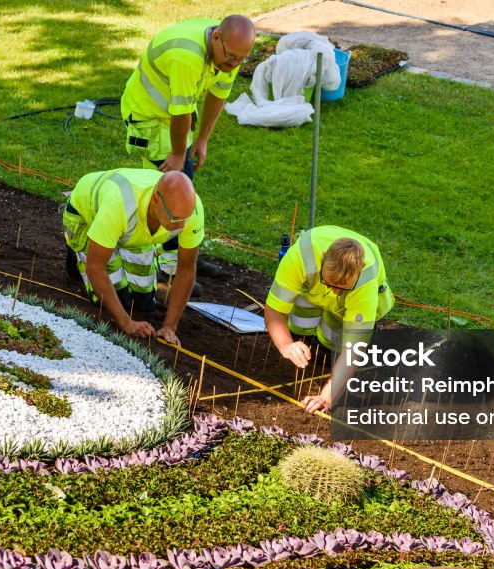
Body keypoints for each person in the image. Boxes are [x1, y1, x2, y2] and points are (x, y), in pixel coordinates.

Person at [121, 15, 256, 279]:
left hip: (173, 114)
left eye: (242, 59)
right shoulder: (187, 56)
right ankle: (168, 263)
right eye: (231, 57)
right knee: (169, 186)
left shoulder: (232, 50)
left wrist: (202, 140)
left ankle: (182, 255)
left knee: (184, 181)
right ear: (216, 37)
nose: (234, 64)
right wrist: (177, 153)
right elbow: (180, 113)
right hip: (147, 115)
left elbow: (218, 94)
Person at [62, 168, 204, 347]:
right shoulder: (120, 202)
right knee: (120, 301)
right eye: (175, 218)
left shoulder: (190, 210)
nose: (182, 225)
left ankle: (116, 247)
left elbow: (186, 269)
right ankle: (74, 256)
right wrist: (126, 323)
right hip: (86, 216)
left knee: (144, 303)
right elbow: (95, 267)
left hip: (132, 231)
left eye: (186, 217)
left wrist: (169, 326)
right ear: (155, 200)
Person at [263, 226, 394, 414]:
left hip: (348, 304)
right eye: (330, 283)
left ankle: (323, 349)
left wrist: (326, 397)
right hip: (310, 291)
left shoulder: (365, 282)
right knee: (299, 326)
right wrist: (286, 345)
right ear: (323, 258)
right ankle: (303, 339)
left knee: (331, 342)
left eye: (342, 287)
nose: (335, 292)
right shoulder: (299, 258)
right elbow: (274, 310)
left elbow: (353, 349)